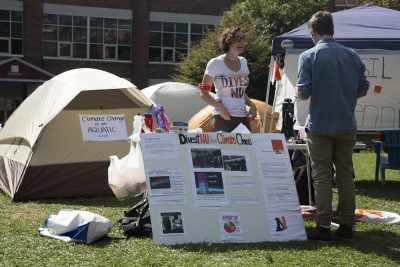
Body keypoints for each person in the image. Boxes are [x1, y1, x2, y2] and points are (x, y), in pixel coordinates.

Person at [296, 11, 370, 241]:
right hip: (346, 124)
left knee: (322, 177)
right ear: (332, 30)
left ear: (313, 32)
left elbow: (304, 93)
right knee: (346, 176)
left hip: (320, 126)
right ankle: (347, 225)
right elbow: (363, 88)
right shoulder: (352, 54)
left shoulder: (308, 56)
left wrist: (297, 92)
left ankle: (324, 226)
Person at [198, 27, 257, 132]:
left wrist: (252, 105)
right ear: (228, 41)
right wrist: (220, 108)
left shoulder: (244, 62)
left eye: (243, 38)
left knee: (246, 148)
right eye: (238, 38)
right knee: (224, 149)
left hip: (243, 117)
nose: (242, 42)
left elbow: (240, 91)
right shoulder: (215, 63)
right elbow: (204, 93)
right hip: (223, 118)